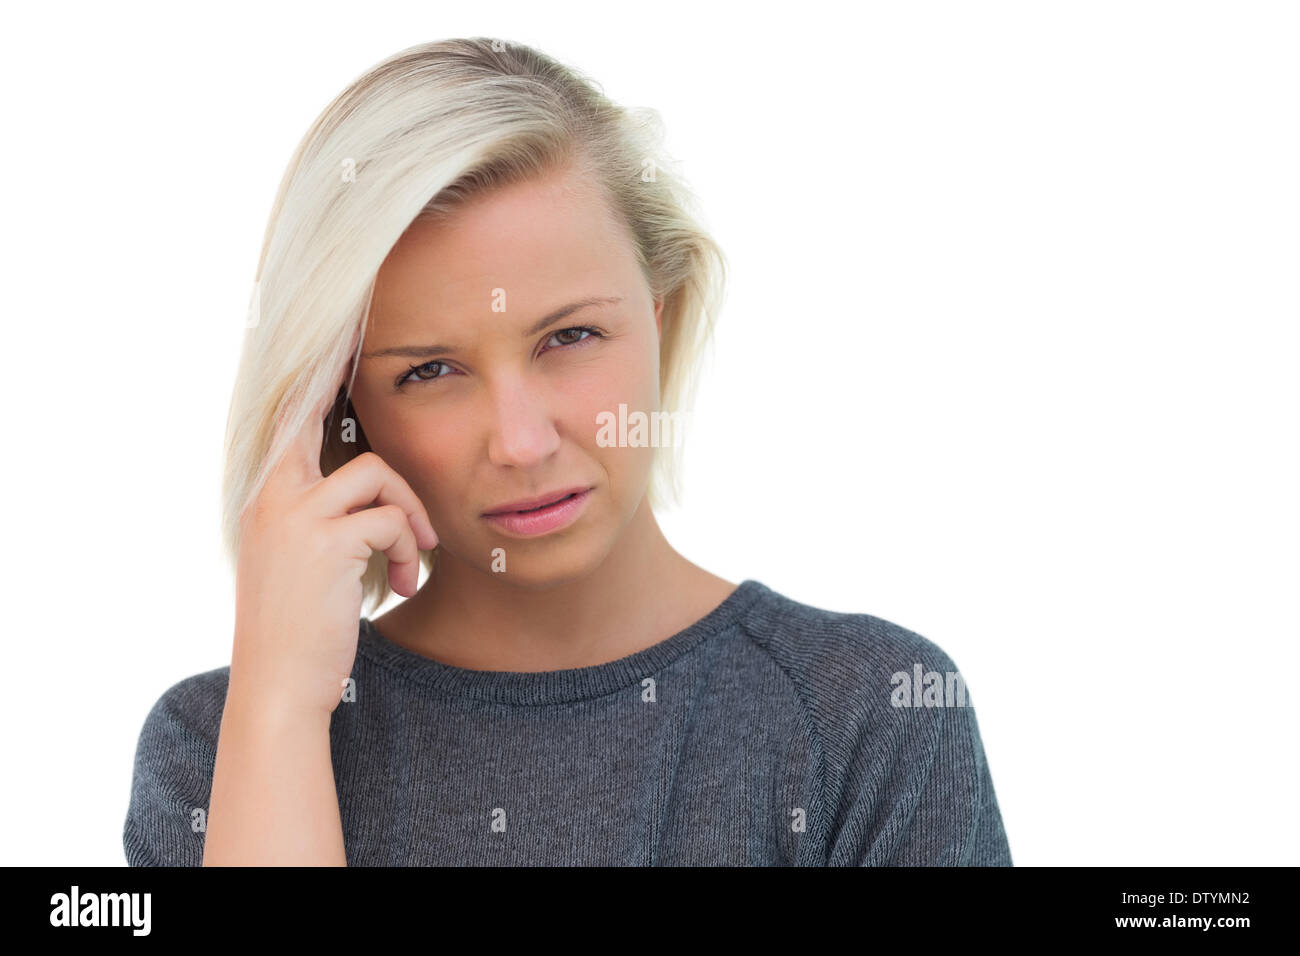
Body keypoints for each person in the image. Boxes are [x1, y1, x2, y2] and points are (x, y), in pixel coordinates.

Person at [123, 37, 1012, 866]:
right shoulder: (218, 749)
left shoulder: (871, 718)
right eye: (429, 369)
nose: (520, 441)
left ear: (659, 315)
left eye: (571, 337)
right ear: (339, 407)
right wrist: (278, 711)